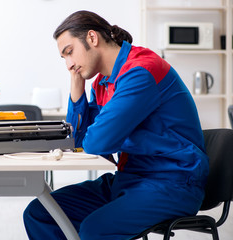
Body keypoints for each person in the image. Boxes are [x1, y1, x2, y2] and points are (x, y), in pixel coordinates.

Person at [23, 10, 209, 240]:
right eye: (64, 59)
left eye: (70, 53)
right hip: (129, 180)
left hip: (172, 184)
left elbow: (98, 142)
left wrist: (93, 136)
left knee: (95, 229)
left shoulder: (141, 71)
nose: (69, 64)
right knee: (40, 213)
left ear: (92, 38)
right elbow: (77, 141)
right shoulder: (102, 83)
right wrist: (76, 85)